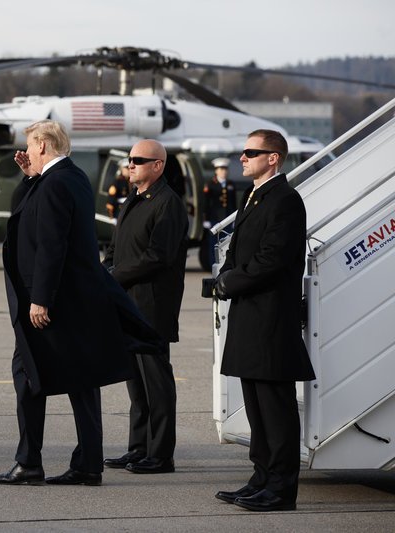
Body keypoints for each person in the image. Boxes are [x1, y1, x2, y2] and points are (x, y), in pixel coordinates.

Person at [0, 120, 162, 487]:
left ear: (42, 145)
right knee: (82, 382)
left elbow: (53, 245)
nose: (27, 151)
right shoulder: (69, 177)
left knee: (27, 376)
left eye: (30, 145)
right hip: (72, 301)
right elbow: (25, 219)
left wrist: (40, 300)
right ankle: (87, 463)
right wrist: (28, 178)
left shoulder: (55, 184)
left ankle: (29, 462)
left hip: (50, 305)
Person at [211, 129, 315, 511]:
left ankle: (281, 488)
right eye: (243, 151)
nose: (242, 157)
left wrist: (229, 282)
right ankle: (261, 477)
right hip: (250, 315)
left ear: (273, 158)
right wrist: (225, 275)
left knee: (276, 408)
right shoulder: (253, 196)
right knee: (256, 405)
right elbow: (238, 250)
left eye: (251, 152)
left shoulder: (285, 200)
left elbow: (272, 258)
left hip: (271, 318)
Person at [102, 139, 188, 475]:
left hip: (152, 307)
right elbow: (117, 245)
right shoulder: (133, 199)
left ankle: (161, 454)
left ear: (158, 165)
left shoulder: (168, 203)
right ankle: (138, 448)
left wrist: (114, 276)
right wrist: (105, 270)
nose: (131, 164)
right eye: (130, 159)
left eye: (138, 159)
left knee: (157, 383)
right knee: (135, 383)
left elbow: (158, 257)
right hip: (128, 303)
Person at [201, 157, 237, 268]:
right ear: (216, 171)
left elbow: (233, 203)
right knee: (213, 243)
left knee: (228, 243)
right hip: (214, 219)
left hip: (227, 219)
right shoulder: (210, 184)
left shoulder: (230, 184)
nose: (224, 171)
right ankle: (214, 265)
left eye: (225, 169)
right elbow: (205, 203)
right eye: (221, 169)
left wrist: (234, 218)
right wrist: (206, 219)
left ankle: (226, 265)